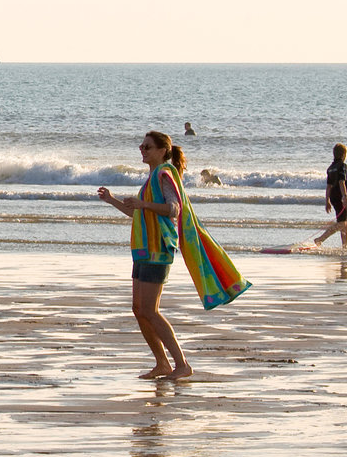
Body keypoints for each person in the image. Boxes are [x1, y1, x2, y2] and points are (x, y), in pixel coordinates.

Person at [97, 129, 246, 382]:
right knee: (138, 309)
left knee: (150, 310)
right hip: (143, 250)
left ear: (162, 151)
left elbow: (173, 210)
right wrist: (113, 201)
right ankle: (162, 363)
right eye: (141, 146)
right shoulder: (152, 177)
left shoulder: (165, 175)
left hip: (159, 250)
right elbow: (138, 213)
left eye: (147, 147)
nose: (142, 151)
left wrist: (143, 204)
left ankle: (182, 364)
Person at [311, 143, 347, 249]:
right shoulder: (342, 166)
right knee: (342, 223)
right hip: (340, 197)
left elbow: (328, 186)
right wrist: (345, 197)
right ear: (343, 155)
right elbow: (341, 182)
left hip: (333, 197)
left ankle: (345, 246)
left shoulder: (331, 168)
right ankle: (320, 239)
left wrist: (327, 201)